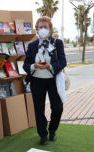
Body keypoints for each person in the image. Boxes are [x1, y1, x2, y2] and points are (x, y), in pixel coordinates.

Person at [23, 16, 67, 145]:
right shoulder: (32, 45)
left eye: (45, 27)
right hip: (37, 81)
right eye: (40, 27)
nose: (42, 29)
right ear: (36, 29)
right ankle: (42, 134)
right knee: (39, 109)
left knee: (57, 108)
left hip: (54, 80)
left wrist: (51, 66)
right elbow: (26, 65)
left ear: (50, 29)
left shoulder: (57, 43)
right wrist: (34, 66)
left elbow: (63, 61)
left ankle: (52, 131)